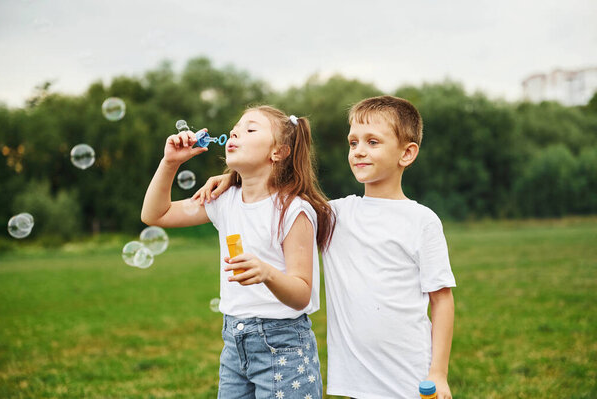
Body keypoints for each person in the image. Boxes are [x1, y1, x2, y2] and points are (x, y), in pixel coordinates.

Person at [194, 96, 456, 399]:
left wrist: (438, 372)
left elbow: (442, 300)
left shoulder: (422, 220)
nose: (359, 151)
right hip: (357, 379)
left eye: (373, 142)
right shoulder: (333, 215)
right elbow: (275, 200)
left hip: (412, 374)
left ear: (407, 153)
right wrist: (234, 179)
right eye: (353, 142)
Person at [141, 105, 335, 399]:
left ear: (279, 152)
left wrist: (267, 273)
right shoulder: (223, 199)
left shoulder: (293, 211)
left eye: (250, 129)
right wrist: (170, 163)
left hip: (283, 345)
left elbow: (301, 294)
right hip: (234, 342)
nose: (235, 132)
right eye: (235, 129)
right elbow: (156, 214)